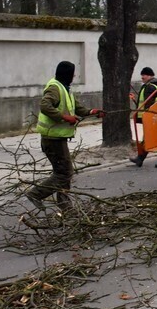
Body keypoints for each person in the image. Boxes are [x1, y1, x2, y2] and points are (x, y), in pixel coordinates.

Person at [26, 61, 104, 212]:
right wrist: (64, 117)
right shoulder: (55, 88)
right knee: (64, 173)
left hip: (57, 139)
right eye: (73, 73)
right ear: (67, 74)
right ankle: (36, 194)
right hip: (52, 139)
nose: (74, 76)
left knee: (63, 172)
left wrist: (92, 112)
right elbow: (45, 106)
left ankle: (66, 208)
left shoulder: (64, 88)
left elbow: (76, 106)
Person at [130, 67, 157, 167]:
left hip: (151, 116)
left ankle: (141, 159)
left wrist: (144, 115)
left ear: (149, 75)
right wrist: (134, 101)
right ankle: (141, 159)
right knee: (152, 138)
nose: (142, 77)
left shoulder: (150, 87)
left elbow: (148, 104)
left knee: (150, 138)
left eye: (143, 75)